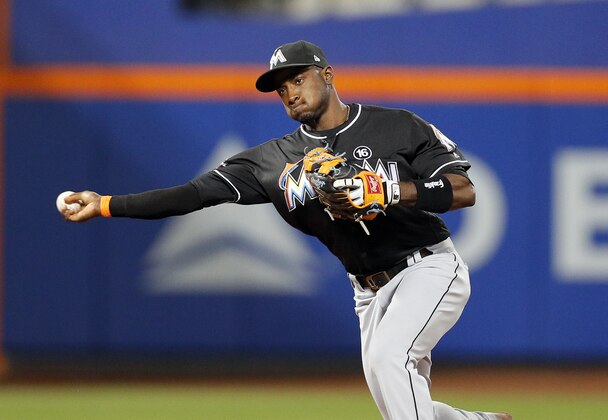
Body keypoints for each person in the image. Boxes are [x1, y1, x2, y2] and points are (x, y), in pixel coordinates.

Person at [61, 40, 511, 420]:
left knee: (389, 360)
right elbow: (192, 194)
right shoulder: (269, 161)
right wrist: (105, 205)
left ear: (328, 75)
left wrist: (390, 190)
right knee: (395, 392)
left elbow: (463, 190)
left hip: (429, 267)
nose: (291, 93)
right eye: (281, 89)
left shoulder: (396, 125)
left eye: (298, 79)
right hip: (367, 291)